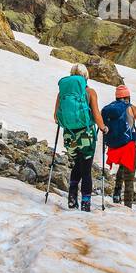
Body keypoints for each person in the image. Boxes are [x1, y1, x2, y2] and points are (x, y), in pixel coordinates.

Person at [54, 64, 107, 212]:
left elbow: (56, 117)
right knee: (86, 169)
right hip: (86, 135)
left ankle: (72, 198)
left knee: (77, 164)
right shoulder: (90, 92)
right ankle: (85, 203)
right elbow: (96, 115)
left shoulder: (62, 93)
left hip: (69, 136)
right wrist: (103, 128)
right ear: (86, 76)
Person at [102, 85, 136, 208]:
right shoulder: (132, 108)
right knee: (129, 177)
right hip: (128, 146)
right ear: (128, 96)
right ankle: (128, 207)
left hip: (114, 147)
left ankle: (116, 193)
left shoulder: (107, 109)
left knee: (122, 166)